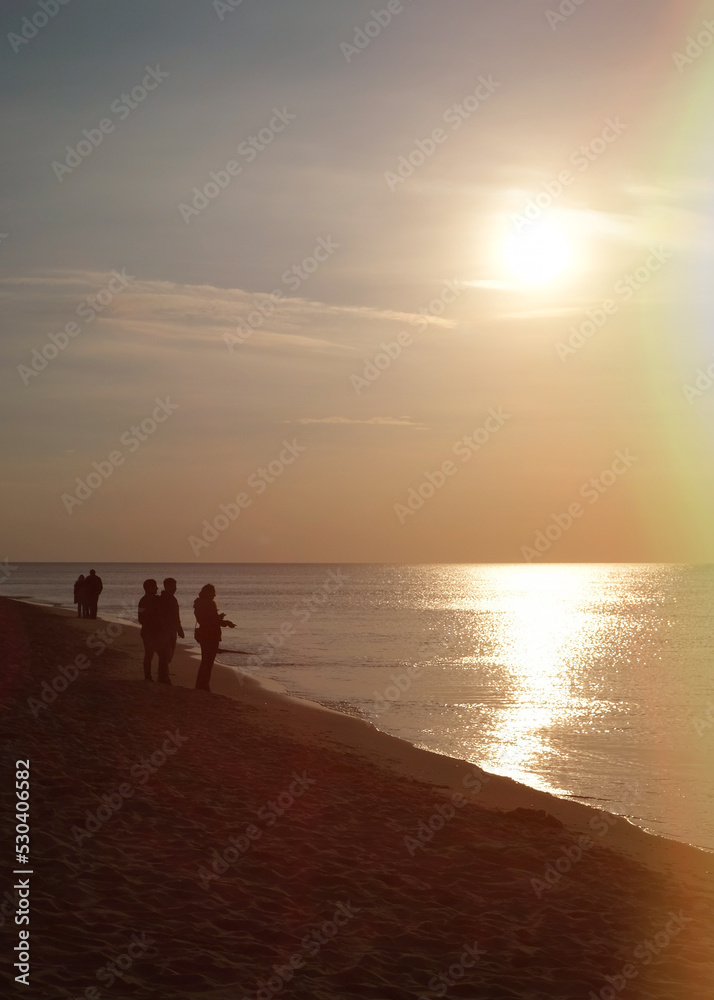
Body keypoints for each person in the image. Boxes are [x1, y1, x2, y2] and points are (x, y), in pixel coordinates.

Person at [193, 584, 235, 692]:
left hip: (203, 634)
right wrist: (226, 623)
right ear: (208, 592)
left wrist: (218, 618)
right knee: (208, 661)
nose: (214, 595)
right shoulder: (210, 604)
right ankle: (204, 685)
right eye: (213, 592)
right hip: (211, 635)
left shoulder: (198, 603)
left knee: (205, 660)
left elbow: (206, 619)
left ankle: (200, 685)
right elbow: (213, 621)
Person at [157, 577, 184, 685]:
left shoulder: (172, 599)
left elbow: (176, 616)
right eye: (173, 586)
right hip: (165, 630)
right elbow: (167, 616)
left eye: (175, 586)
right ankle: (163, 677)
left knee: (167, 653)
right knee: (165, 653)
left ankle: (162, 675)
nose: (175, 588)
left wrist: (179, 628)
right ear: (167, 586)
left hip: (171, 629)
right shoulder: (163, 599)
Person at [138, 579, 162, 682]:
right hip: (151, 631)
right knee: (152, 653)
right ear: (149, 588)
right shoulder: (153, 600)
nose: (157, 588)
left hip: (147, 630)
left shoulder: (143, 600)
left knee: (149, 653)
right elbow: (142, 618)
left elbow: (140, 618)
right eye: (155, 586)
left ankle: (148, 675)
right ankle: (150, 676)